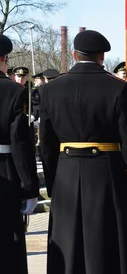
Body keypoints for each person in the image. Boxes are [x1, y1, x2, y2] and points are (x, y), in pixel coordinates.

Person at [39, 30, 127, 274]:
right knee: (104, 245)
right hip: (105, 174)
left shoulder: (50, 90)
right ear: (102, 57)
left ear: (75, 55)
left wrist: (53, 181)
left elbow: (46, 143)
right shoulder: (118, 88)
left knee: (68, 243)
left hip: (65, 172)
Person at [0, 34, 39, 274]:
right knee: (8, 242)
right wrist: (29, 188)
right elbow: (21, 143)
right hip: (5, 169)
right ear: (3, 59)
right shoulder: (13, 91)